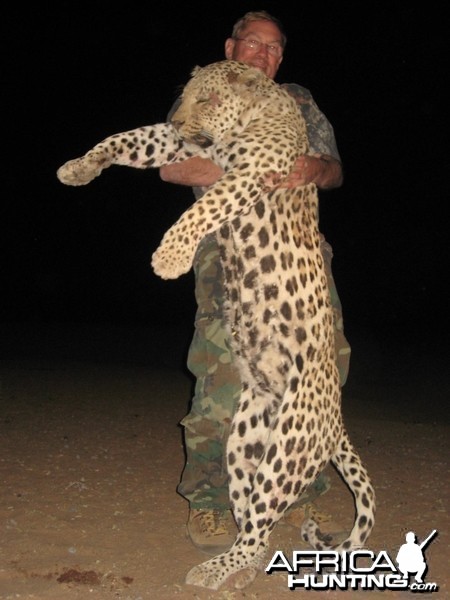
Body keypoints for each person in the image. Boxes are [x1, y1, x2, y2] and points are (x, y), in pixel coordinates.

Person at [160, 10, 350, 555]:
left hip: (302, 260)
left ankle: (299, 489)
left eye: (273, 48)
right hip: (231, 255)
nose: (263, 54)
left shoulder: (298, 100)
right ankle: (212, 503)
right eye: (252, 43)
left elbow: (335, 169)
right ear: (230, 47)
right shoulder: (206, 91)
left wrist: (313, 169)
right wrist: (258, 166)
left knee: (320, 374)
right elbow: (175, 166)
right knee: (226, 378)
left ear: (281, 57)